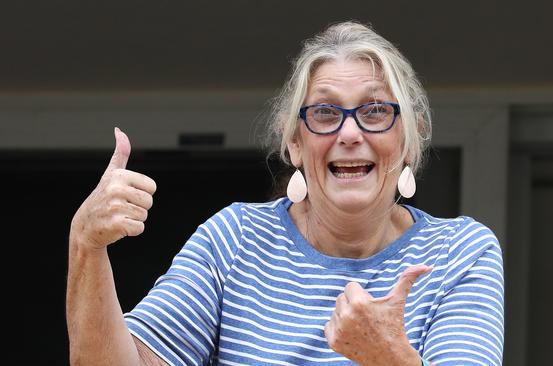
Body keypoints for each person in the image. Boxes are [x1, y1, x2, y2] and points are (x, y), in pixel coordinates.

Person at [66, 21, 504, 366]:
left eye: (374, 111)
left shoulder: (460, 253)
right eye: (325, 112)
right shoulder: (236, 239)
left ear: (409, 139)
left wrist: (390, 359)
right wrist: (86, 245)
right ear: (295, 142)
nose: (350, 132)